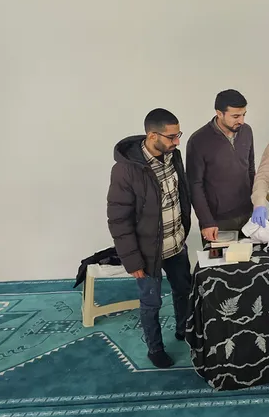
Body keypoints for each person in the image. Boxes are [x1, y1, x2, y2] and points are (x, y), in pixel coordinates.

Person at [107, 109, 192, 369]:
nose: (177, 141)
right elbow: (118, 219)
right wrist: (132, 261)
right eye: (171, 137)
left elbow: (181, 194)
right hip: (147, 252)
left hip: (176, 243)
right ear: (152, 135)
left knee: (184, 290)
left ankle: (184, 330)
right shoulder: (125, 170)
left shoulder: (174, 156)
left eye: (178, 135)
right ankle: (155, 349)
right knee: (151, 303)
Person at [187, 89, 255, 245]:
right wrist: (206, 221)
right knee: (220, 261)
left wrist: (257, 204)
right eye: (236, 116)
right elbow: (195, 185)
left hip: (248, 216)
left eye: (244, 115)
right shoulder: (198, 140)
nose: (241, 121)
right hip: (218, 221)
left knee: (251, 259)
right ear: (219, 113)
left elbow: (250, 170)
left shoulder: (246, 131)